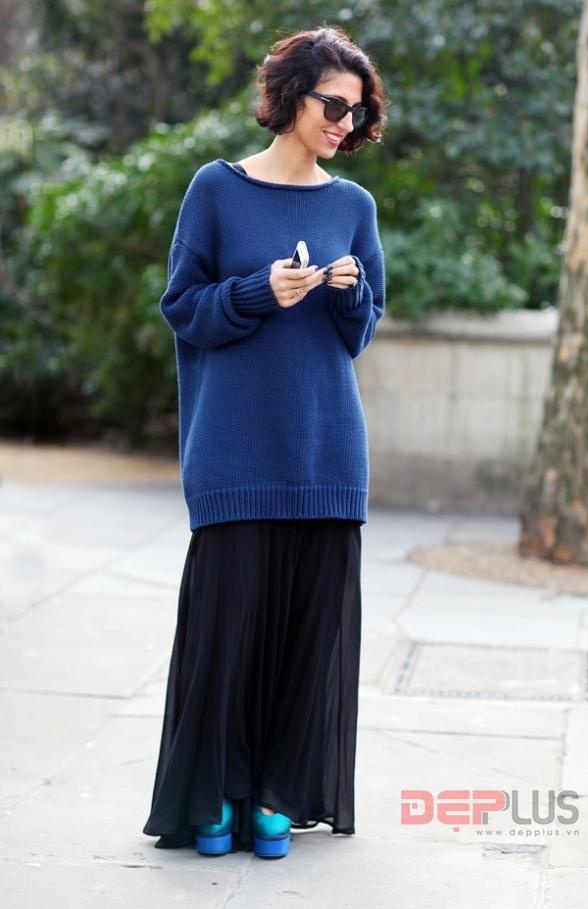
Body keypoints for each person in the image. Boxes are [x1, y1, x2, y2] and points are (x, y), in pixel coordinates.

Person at [142, 24, 388, 860]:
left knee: (308, 637)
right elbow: (184, 308)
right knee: (227, 635)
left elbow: (359, 334)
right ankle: (215, 793)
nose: (345, 125)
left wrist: (345, 293)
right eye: (333, 106)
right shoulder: (216, 189)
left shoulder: (353, 208)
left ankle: (278, 794)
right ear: (289, 96)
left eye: (357, 113)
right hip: (235, 452)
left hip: (326, 451)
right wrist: (257, 291)